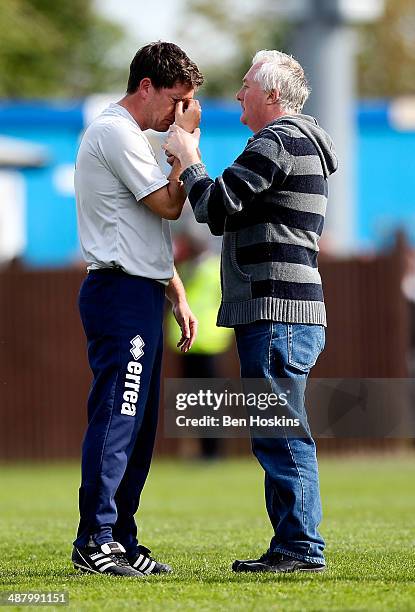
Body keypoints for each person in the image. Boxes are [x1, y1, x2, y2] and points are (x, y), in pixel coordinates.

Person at [164, 49, 338, 573]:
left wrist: (189, 158)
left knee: (280, 428)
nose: (238, 94)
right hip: (287, 308)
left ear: (271, 94)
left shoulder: (277, 141)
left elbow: (214, 209)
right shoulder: (297, 141)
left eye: (245, 85)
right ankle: (292, 544)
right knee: (276, 427)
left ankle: (301, 548)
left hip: (276, 309)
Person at [72, 42, 203, 577]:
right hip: (118, 294)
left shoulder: (141, 138)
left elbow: (149, 227)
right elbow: (169, 204)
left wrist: (176, 291)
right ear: (145, 87)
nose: (179, 113)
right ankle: (95, 539)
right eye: (177, 101)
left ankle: (122, 537)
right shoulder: (116, 132)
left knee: (142, 425)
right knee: (118, 418)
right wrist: (186, 147)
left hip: (142, 290)